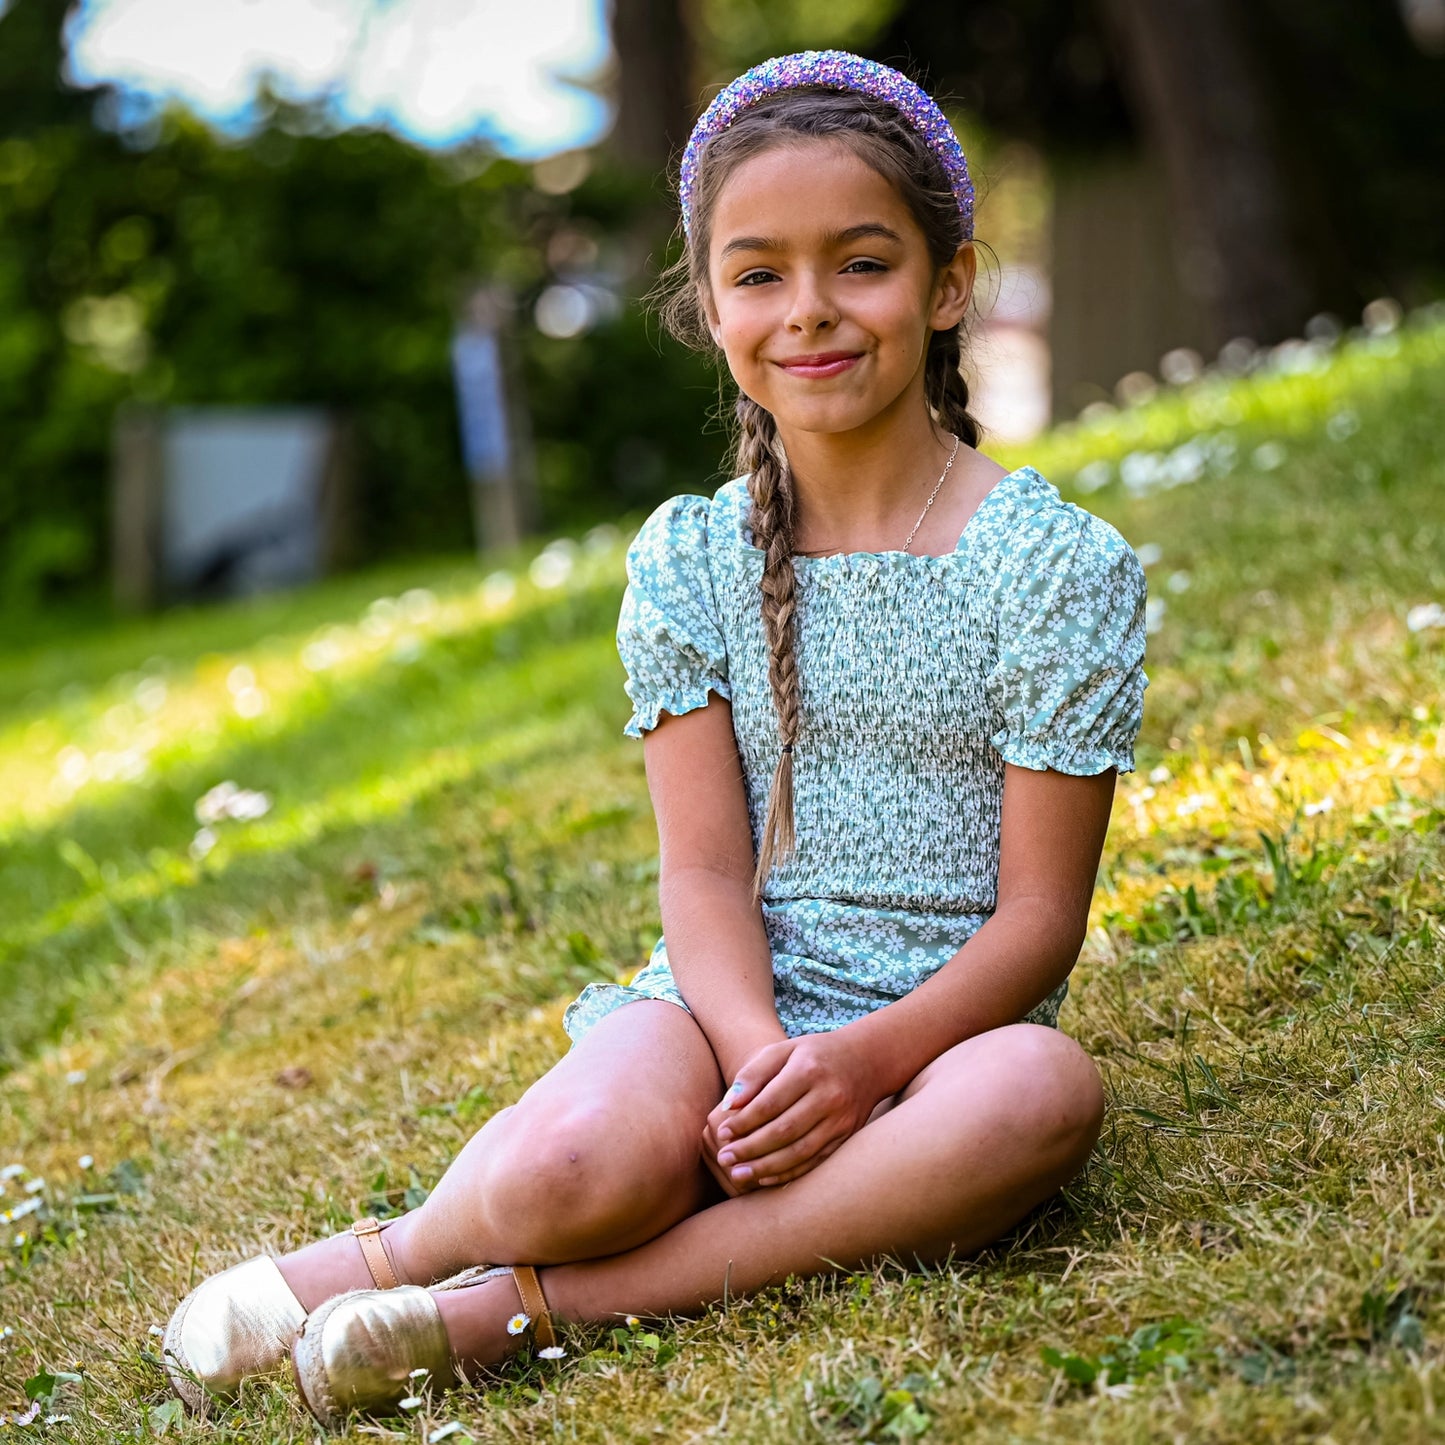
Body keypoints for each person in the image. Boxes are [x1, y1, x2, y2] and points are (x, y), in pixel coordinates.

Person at [162, 50, 1148, 1430]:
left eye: (858, 264)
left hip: (944, 1036)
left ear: (946, 284)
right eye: (758, 274)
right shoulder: (692, 561)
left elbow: (1040, 919)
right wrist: (753, 1055)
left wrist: (862, 1068)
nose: (808, 310)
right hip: (721, 1000)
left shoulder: (1050, 566)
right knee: (569, 1171)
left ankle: (508, 1314)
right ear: (709, 306)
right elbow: (698, 874)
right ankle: (392, 1252)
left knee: (1044, 1097)